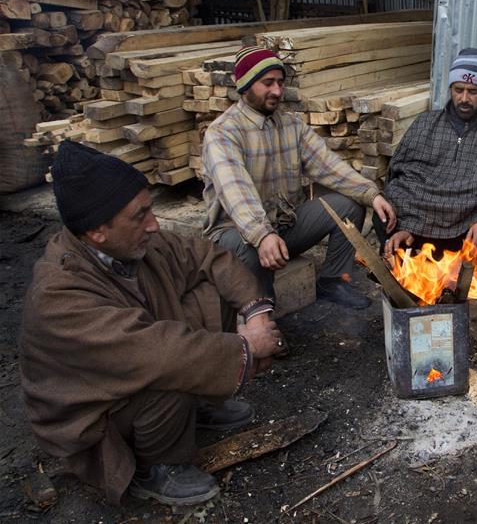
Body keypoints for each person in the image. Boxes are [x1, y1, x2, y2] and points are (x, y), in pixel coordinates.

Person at [20, 141, 285, 506]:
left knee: (209, 291)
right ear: (98, 231)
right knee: (169, 368)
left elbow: (209, 257)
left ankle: (196, 405)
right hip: (95, 419)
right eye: (140, 215)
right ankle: (156, 467)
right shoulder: (58, 294)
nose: (154, 224)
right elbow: (155, 354)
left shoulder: (133, 245)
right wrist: (247, 346)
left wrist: (256, 313)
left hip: (143, 362)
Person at [202, 46, 397, 310]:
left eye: (280, 83)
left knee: (347, 205)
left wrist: (371, 194)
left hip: (282, 228)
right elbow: (236, 191)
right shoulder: (223, 133)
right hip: (234, 237)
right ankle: (262, 315)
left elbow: (329, 165)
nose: (277, 91)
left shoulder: (291, 125)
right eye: (267, 83)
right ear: (245, 85)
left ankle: (334, 280)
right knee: (249, 246)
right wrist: (262, 235)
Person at [379, 48, 477, 314]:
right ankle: (423, 269)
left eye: (473, 92)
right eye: (458, 89)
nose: (464, 98)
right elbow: (401, 176)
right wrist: (406, 225)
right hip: (423, 223)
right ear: (450, 87)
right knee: (385, 216)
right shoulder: (425, 123)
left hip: (472, 227)